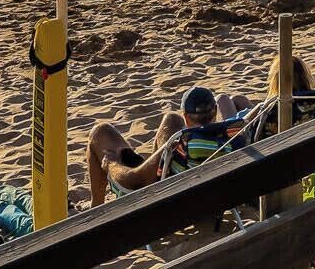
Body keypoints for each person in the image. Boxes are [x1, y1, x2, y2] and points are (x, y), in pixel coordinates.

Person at [85, 85, 240, 206]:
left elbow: (133, 181)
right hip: (217, 198)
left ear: (186, 117)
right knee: (172, 119)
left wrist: (111, 164)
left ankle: (95, 207)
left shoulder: (178, 146)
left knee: (99, 132)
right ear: (215, 112)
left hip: (168, 201)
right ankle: (152, 163)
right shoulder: (231, 138)